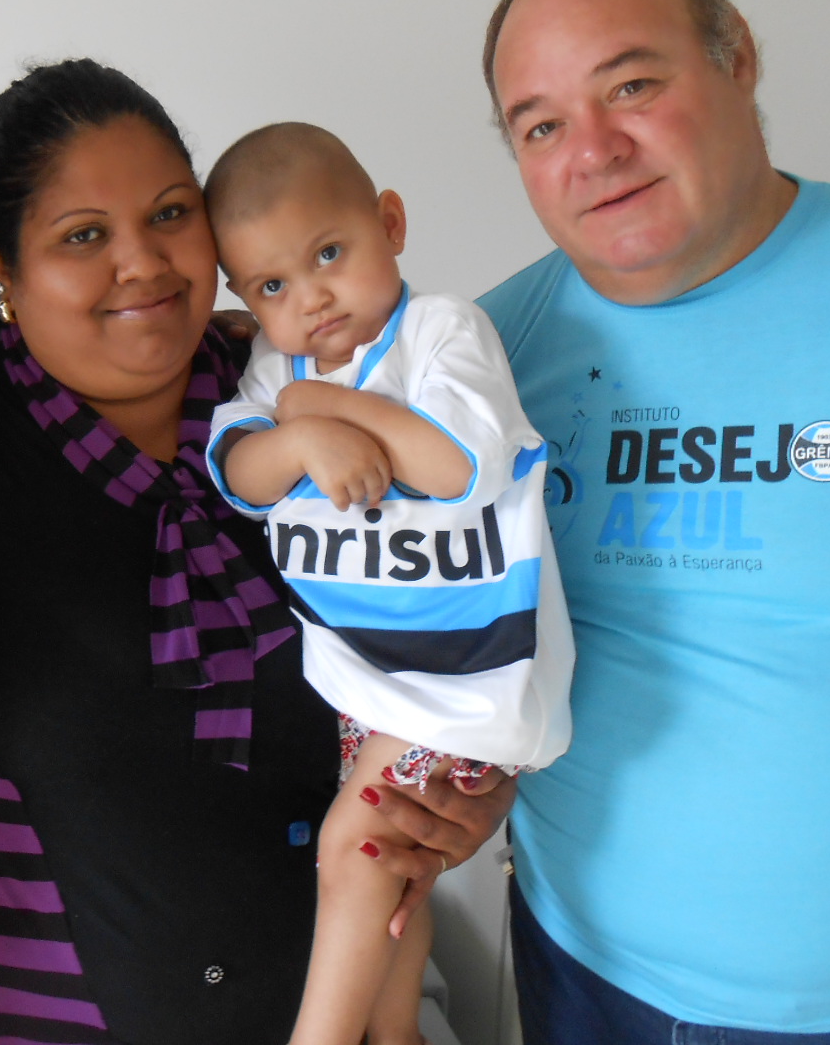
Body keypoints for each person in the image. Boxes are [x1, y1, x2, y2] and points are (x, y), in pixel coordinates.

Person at [0, 60, 514, 1045]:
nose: (144, 263)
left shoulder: (300, 387)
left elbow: (468, 605)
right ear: (2, 264)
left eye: (170, 215)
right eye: (83, 236)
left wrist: (479, 782)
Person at [476, 0, 830, 1043]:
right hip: (593, 984)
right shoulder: (483, 362)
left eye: (630, 85)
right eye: (540, 125)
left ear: (735, 54)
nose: (591, 149)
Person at [202, 122, 573, 1045]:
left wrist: (320, 406)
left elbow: (454, 467)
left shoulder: (442, 330)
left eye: (331, 252)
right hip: (372, 683)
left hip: (466, 679)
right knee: (396, 868)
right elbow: (237, 476)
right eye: (274, 285)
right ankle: (396, 1031)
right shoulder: (273, 366)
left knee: (355, 852)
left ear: (391, 224)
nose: (313, 297)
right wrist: (291, 431)